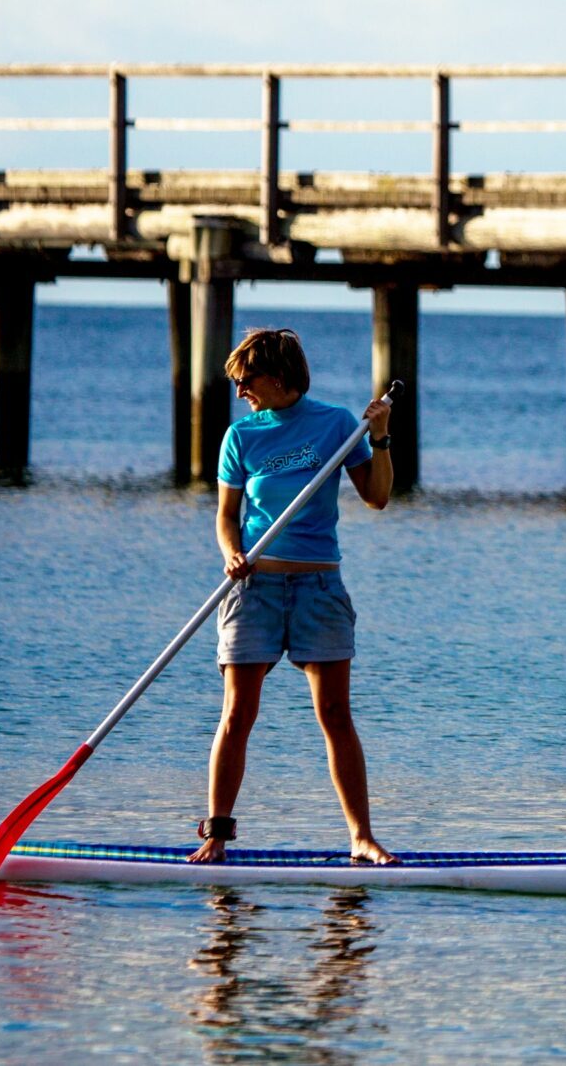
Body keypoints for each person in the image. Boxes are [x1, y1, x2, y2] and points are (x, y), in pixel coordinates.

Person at [189, 328, 398, 866]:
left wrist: (379, 437)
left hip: (318, 587)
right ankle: (216, 835)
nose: (239, 392)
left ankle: (361, 838)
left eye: (246, 380)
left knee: (335, 713)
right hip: (254, 587)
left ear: (278, 377)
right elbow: (226, 517)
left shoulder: (333, 425)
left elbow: (376, 498)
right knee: (237, 714)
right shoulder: (241, 438)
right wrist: (231, 553)